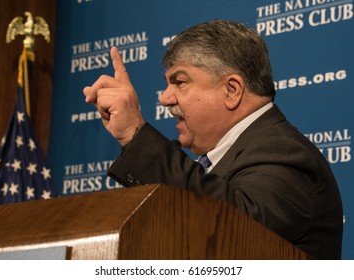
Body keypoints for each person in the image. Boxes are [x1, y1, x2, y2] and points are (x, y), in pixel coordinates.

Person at [83, 20, 343, 259]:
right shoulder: (223, 160)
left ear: (232, 90)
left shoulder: (284, 152)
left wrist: (135, 135)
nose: (164, 98)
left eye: (180, 82)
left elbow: (237, 229)